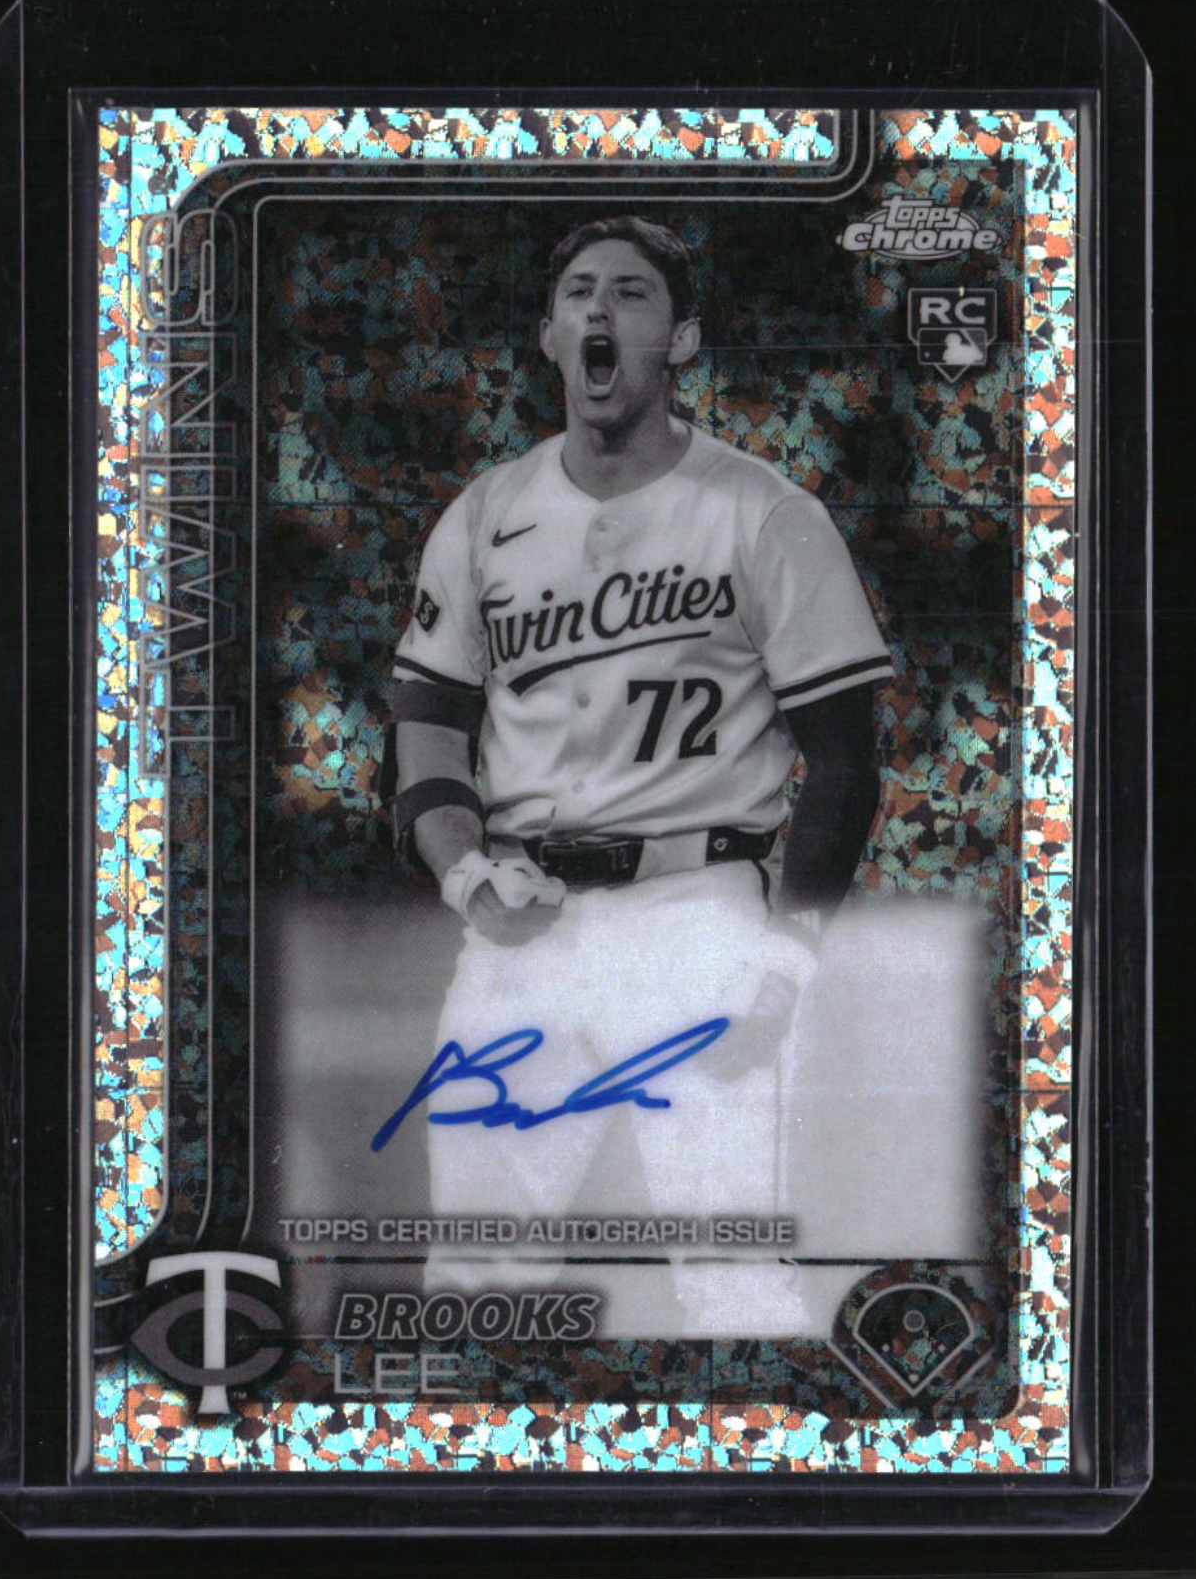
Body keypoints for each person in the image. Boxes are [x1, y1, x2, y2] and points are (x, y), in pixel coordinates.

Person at [379, 215, 892, 1333]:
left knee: (731, 1278)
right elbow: (425, 731)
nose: (598, 310)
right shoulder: (485, 513)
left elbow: (847, 760)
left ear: (682, 339)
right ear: (548, 336)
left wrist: (788, 955)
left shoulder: (764, 512)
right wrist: (464, 875)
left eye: (630, 292)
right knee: (473, 1280)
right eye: (578, 292)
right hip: (518, 920)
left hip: (695, 914)